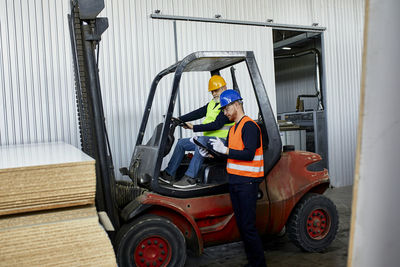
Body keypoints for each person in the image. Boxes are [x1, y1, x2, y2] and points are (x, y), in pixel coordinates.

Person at [210, 89, 267, 267]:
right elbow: (230, 153)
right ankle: (252, 262)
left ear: (236, 105)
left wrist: (225, 150)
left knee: (248, 226)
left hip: (247, 183)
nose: (225, 113)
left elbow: (249, 154)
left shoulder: (249, 126)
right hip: (235, 182)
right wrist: (213, 154)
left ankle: (259, 264)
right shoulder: (233, 128)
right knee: (242, 226)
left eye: (226, 109)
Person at [159, 75, 234, 189]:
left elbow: (216, 125)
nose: (214, 94)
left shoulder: (227, 106)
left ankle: (190, 178)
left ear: (224, 88)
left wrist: (193, 127)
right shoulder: (212, 104)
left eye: (216, 90)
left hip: (222, 143)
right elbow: (198, 113)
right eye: (212, 92)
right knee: (181, 143)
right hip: (209, 141)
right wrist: (179, 119)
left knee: (201, 141)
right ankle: (169, 174)